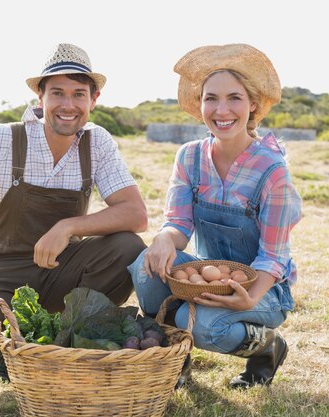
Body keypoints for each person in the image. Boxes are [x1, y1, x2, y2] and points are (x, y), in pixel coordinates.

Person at [0, 43, 148, 383]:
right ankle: (8, 350)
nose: (68, 105)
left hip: (60, 267)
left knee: (127, 247)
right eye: (57, 93)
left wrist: (67, 227)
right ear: (41, 97)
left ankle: (62, 345)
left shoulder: (97, 143)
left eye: (79, 94)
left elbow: (136, 214)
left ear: (93, 100)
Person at [128, 44, 302, 389]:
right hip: (207, 277)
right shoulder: (189, 157)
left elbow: (273, 255)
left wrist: (249, 297)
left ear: (253, 105)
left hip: (264, 289)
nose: (222, 110)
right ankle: (176, 363)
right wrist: (164, 238)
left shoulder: (272, 169)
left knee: (204, 326)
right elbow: (178, 224)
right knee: (144, 269)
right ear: (200, 104)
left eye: (234, 98)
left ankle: (267, 346)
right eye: (211, 99)